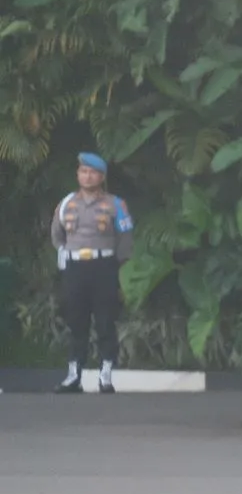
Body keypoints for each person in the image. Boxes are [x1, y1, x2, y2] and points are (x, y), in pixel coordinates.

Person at [50, 152, 133, 394]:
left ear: (101, 176)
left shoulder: (115, 204)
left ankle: (105, 375)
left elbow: (125, 238)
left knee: (106, 320)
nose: (87, 176)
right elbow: (56, 234)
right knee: (76, 320)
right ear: (78, 174)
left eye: (92, 172)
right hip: (75, 267)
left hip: (104, 266)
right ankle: (73, 375)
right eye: (83, 171)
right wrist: (66, 252)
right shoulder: (67, 203)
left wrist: (116, 265)